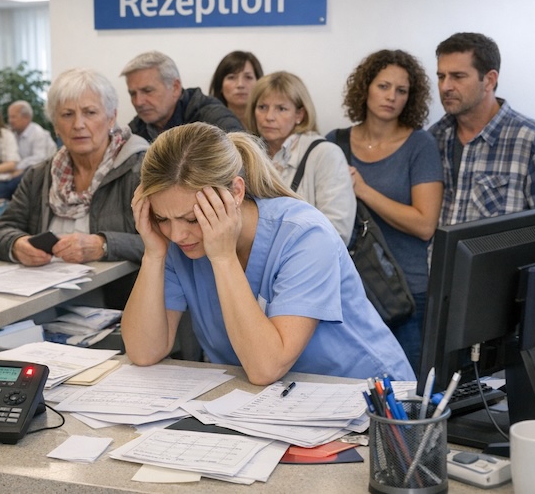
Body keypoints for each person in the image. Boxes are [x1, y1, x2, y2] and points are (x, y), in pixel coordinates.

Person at [122, 123, 413, 384]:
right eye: (162, 218)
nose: (177, 234)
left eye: (192, 218)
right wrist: (153, 254)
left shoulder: (305, 236)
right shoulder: (177, 244)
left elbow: (266, 367)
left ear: (236, 192)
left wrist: (223, 258)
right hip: (276, 405)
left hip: (365, 398)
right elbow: (144, 351)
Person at [326, 50, 443, 373]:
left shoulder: (420, 145)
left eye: (401, 91)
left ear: (411, 97)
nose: (391, 96)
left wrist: (363, 190)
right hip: (348, 292)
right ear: (365, 88)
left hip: (405, 294)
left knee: (408, 394)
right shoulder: (335, 142)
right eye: (383, 86)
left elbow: (424, 224)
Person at [0, 68, 148, 267]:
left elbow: (169, 243)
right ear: (55, 124)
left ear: (111, 118)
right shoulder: (39, 176)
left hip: (118, 294)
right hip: (47, 293)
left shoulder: (141, 170)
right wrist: (16, 244)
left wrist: (104, 245)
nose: (78, 124)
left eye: (90, 112)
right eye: (67, 114)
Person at [429, 32, 535, 225]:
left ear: (490, 80)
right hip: (435, 256)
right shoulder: (434, 138)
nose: (445, 86)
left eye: (458, 76)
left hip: (503, 257)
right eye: (441, 77)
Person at [248, 71, 355, 244]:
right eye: (262, 107)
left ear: (299, 115)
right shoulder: (248, 155)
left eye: (281, 109)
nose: (269, 117)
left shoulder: (325, 154)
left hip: (306, 264)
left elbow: (337, 232)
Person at [121, 50, 244, 142]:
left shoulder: (210, 116)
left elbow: (243, 151)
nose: (138, 102)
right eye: (132, 94)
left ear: (175, 87)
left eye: (147, 91)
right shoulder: (135, 131)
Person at [209, 50, 264, 128]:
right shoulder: (209, 123)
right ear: (220, 85)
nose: (240, 84)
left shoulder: (268, 123)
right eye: (231, 77)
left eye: (248, 77)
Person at [8, 100, 58, 174]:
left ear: (26, 118)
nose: (10, 120)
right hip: (22, 171)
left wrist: (16, 167)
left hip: (42, 173)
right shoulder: (13, 134)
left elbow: (39, 159)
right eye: (9, 117)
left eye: (13, 117)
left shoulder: (38, 133)